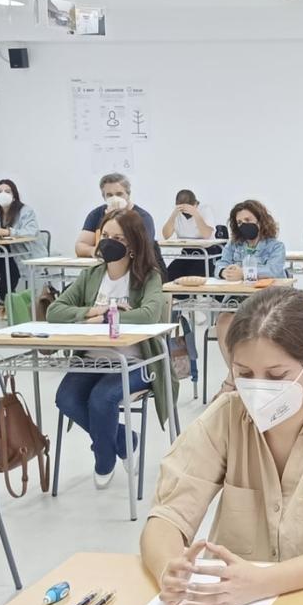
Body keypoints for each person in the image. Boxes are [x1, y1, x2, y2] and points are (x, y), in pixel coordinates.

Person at [140, 287, 303, 605]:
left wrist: (263, 582)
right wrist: (170, 570)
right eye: (244, 374)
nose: (257, 388)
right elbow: (167, 515)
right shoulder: (226, 416)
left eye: (276, 376)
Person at [47, 208, 173, 488]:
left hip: (135, 362)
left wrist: (105, 316)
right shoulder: (91, 276)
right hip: (92, 359)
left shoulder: (148, 276)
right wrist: (91, 311)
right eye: (105, 236)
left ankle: (104, 458)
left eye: (118, 237)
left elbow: (149, 314)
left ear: (133, 244)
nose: (109, 241)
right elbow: (55, 311)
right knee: (66, 399)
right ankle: (124, 440)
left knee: (102, 399)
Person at [211, 200, 288, 368]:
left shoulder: (276, 246)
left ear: (260, 220)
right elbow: (220, 264)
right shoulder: (233, 246)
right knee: (224, 320)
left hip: (266, 300)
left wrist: (244, 272)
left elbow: (273, 270)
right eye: (239, 222)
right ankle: (234, 375)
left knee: (258, 327)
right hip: (237, 299)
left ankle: (244, 376)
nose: (243, 225)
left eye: (247, 220)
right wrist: (225, 272)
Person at [0, 179, 45, 298]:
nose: (3, 194)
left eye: (7, 191)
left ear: (14, 195)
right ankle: (4, 301)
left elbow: (31, 231)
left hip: (20, 253)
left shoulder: (25, 211)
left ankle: (6, 302)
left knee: (8, 273)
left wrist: (7, 232)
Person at [74, 173, 160, 262]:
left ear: (128, 194)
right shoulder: (96, 214)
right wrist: (94, 251)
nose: (115, 198)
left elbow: (141, 249)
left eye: (119, 194)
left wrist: (114, 219)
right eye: (109, 195)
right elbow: (80, 246)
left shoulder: (142, 217)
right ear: (104, 197)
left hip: (136, 268)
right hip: (104, 267)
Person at [162, 189, 223, 282]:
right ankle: (174, 296)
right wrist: (173, 215)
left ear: (195, 204)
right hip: (187, 252)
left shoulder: (205, 209)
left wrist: (196, 214)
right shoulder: (177, 213)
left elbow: (206, 234)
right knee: (168, 275)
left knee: (194, 276)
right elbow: (166, 235)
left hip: (206, 252)